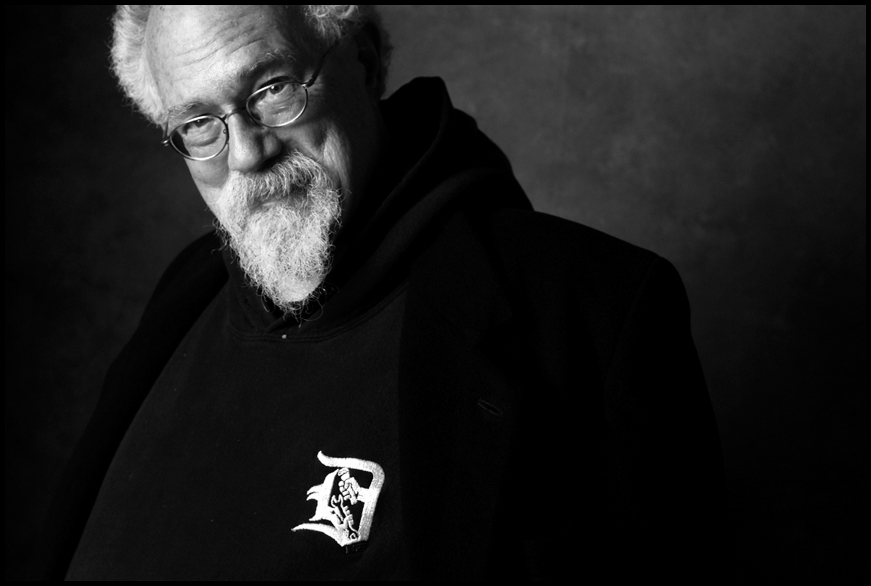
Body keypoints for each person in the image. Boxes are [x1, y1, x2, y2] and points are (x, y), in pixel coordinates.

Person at [29, 5, 726, 580]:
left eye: (271, 89)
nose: (245, 154)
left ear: (361, 59)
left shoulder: (590, 308)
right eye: (198, 124)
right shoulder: (184, 292)